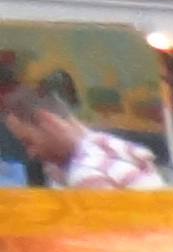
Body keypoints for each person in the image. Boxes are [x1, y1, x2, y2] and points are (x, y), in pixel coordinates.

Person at [4, 77, 156, 188]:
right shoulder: (118, 149)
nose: (31, 153)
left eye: (29, 142)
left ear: (48, 121)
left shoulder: (87, 173)